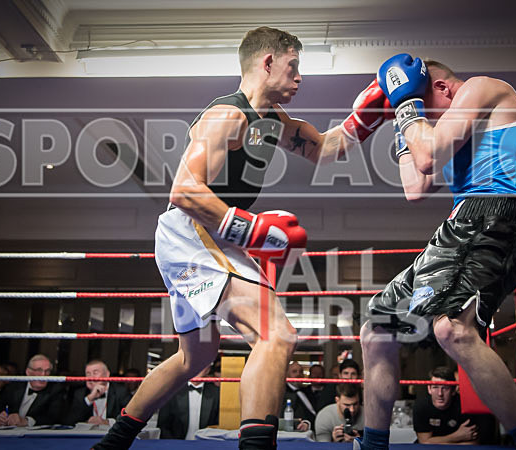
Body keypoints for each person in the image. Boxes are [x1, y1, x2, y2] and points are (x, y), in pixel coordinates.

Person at [92, 26, 386, 450]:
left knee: (195, 358)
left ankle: (114, 441)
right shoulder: (227, 115)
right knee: (277, 333)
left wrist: (373, 110)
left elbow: (325, 148)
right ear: (267, 63)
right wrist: (253, 229)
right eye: (293, 66)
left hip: (211, 234)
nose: (299, 78)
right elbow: (185, 190)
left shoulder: (274, 122)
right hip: (191, 230)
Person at [358, 55, 516, 449]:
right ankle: (373, 444)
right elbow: (415, 187)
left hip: (497, 214)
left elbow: (425, 155)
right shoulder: (449, 131)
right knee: (377, 329)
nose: (423, 118)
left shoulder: (481, 87)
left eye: (423, 105)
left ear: (441, 88)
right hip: (465, 225)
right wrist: (400, 117)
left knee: (454, 329)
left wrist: (408, 105)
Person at [0, 354, 66, 426]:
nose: (43, 375)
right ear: (28, 372)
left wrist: (26, 421)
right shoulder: (13, 387)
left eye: (47, 371)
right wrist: (0, 419)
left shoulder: (56, 390)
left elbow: (53, 417)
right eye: (39, 370)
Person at [156, 364, 220, 439]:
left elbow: (219, 426)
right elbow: (163, 426)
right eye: (194, 363)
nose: (197, 368)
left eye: (201, 364)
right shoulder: (171, 391)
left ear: (208, 370)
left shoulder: (216, 393)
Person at [65, 360, 131, 426]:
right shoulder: (80, 393)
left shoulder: (120, 392)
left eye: (95, 373)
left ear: (107, 374)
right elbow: (69, 421)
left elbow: (130, 418)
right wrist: (89, 399)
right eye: (88, 374)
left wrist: (108, 422)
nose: (91, 377)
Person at [282, 361, 314, 431]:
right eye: (294, 372)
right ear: (286, 375)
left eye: (301, 371)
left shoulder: (308, 391)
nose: (298, 374)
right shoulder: (283, 394)